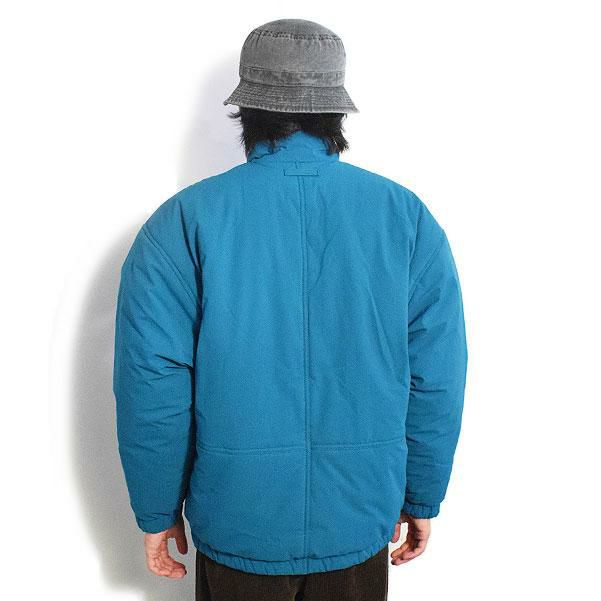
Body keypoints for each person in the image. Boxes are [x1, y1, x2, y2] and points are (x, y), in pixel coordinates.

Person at [113, 18, 468, 601]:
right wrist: (421, 494)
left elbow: (152, 381)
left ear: (246, 111)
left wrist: (157, 509)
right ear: (336, 112)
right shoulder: (405, 219)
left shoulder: (182, 221)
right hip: (359, 515)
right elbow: (436, 377)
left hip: (239, 515)